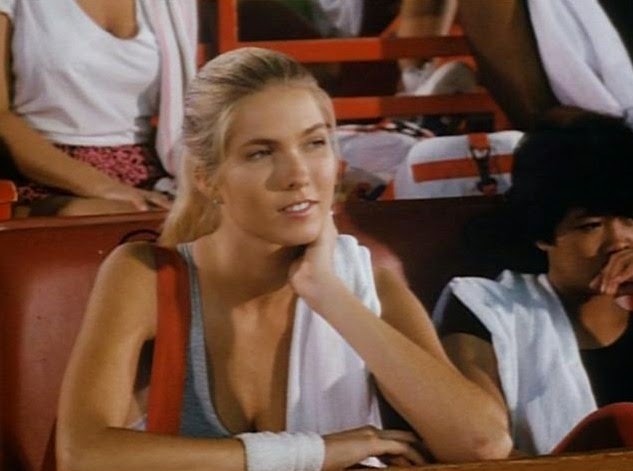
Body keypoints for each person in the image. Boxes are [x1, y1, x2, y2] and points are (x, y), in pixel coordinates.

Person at [56, 47, 511, 471]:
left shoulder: (366, 285)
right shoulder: (144, 275)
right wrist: (315, 452)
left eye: (314, 144)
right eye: (261, 153)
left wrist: (328, 294)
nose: (298, 175)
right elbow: (83, 455)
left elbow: (482, 443)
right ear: (208, 179)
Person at [433, 110, 633, 456]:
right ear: (542, 233)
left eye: (631, 219)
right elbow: (478, 449)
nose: (619, 241)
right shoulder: (487, 311)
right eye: (591, 226)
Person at [0, 0, 197, 217]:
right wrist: (103, 187)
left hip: (147, 170)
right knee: (108, 218)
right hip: (42, 170)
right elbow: (1, 115)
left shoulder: (171, 4)